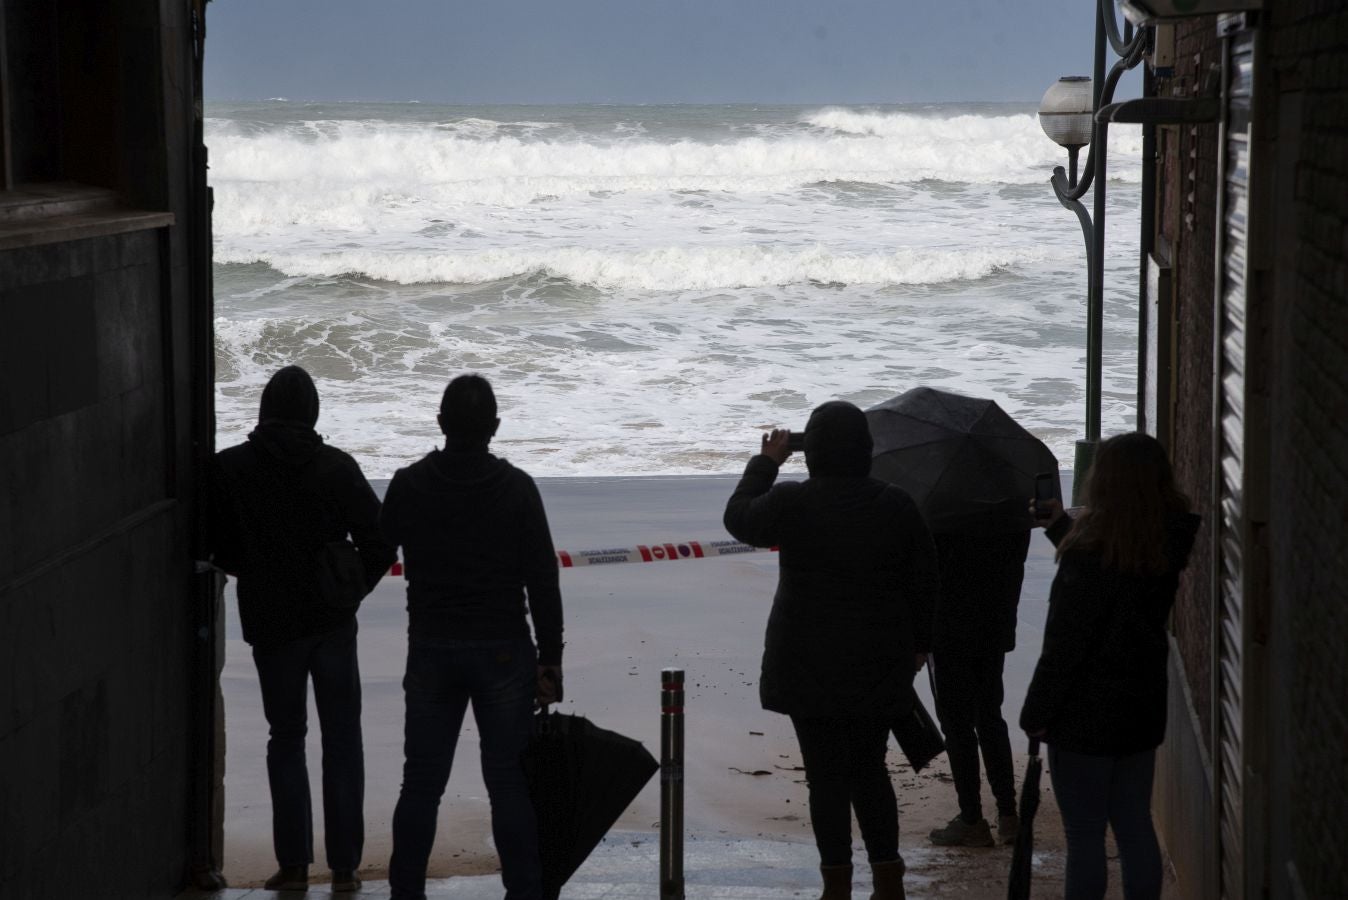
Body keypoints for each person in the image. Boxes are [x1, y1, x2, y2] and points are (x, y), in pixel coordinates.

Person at [724, 401, 939, 900]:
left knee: (825, 778)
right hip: (878, 660)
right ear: (866, 450)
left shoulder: (792, 501)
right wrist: (920, 645)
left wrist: (766, 463)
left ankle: (836, 884)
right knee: (870, 768)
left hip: (806, 662)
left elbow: (739, 518)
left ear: (811, 451)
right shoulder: (895, 504)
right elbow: (926, 579)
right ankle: (888, 879)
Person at [212, 365, 396, 893]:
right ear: (313, 412)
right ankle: (345, 868)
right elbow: (382, 542)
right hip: (332, 623)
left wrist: (253, 567)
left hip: (272, 623)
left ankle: (293, 865)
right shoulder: (336, 468)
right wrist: (350, 587)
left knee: (286, 738)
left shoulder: (231, 469)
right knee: (342, 740)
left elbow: (214, 544)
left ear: (265, 409)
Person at [381, 374, 564, 900]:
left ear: (440, 424)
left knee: (420, 784)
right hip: (503, 648)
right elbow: (542, 580)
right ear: (496, 428)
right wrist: (549, 659)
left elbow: (373, 554)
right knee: (508, 782)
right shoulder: (517, 487)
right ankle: (524, 891)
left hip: (433, 646)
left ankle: (406, 892)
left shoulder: (409, 483)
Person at [1020, 432, 1200, 900]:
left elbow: (1065, 645)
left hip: (1083, 714)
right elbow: (1120, 577)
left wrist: (1036, 712)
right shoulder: (1166, 539)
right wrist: (1062, 527)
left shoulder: (1088, 554)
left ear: (1104, 482)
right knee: (1135, 823)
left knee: (1085, 834)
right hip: (1140, 704)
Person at [926, 527, 1031, 848]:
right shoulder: (1006, 512)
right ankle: (1008, 814)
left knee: (957, 725)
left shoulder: (940, 514)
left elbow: (924, 574)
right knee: (989, 716)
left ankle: (972, 818)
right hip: (993, 627)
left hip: (947, 630)